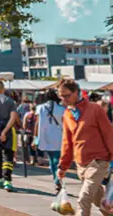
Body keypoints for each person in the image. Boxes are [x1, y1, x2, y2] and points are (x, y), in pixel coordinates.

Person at [57, 79, 113, 216]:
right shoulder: (67, 114)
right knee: (99, 200)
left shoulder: (95, 109)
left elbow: (108, 134)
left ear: (77, 93)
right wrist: (63, 166)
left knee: (83, 199)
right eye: (61, 96)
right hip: (81, 164)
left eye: (67, 95)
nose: (64, 99)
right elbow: (67, 142)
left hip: (98, 161)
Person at [35, 88, 65, 193]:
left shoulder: (40, 108)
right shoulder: (62, 109)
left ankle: (55, 178)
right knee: (57, 159)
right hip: (58, 136)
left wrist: (35, 137)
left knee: (51, 159)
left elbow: (37, 123)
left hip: (45, 136)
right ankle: (57, 179)